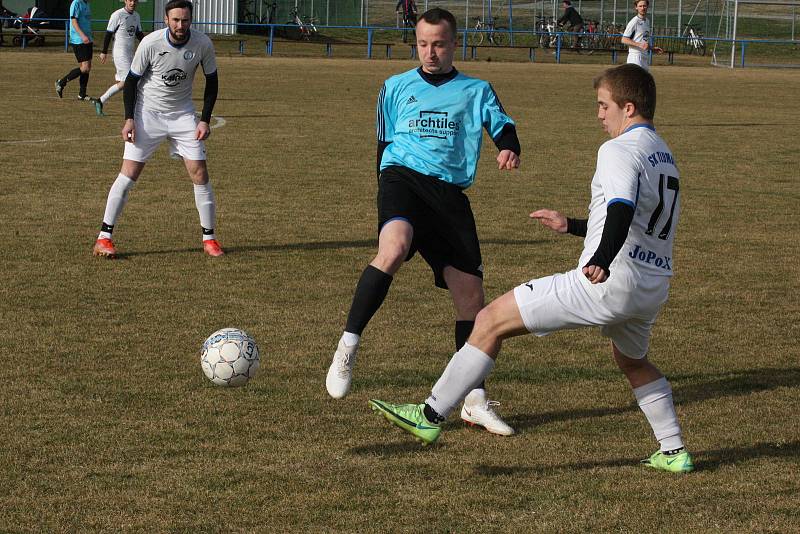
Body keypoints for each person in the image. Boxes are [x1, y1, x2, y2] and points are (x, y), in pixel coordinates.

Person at [370, 64, 695, 474]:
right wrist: (573, 226)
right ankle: (673, 451)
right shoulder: (663, 153)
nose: (599, 114)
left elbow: (621, 210)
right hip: (651, 285)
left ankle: (430, 415)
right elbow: (640, 220)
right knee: (632, 361)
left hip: (609, 280)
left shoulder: (618, 149)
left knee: (488, 320)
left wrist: (599, 259)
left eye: (603, 105)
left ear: (628, 108)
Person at [326, 7, 522, 436]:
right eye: (422, 44)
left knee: (472, 302)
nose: (430, 52)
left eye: (438, 44)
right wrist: (386, 189)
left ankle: (474, 400)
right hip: (402, 180)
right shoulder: (395, 87)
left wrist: (509, 147)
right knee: (393, 247)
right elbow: (383, 145)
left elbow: (503, 126)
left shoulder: (477, 89)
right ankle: (348, 345)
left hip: (449, 196)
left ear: (454, 44)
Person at [92, 0, 223, 259]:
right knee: (129, 173)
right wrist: (129, 118)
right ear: (166, 20)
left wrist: (204, 119)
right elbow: (131, 82)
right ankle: (104, 238)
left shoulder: (202, 44)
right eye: (175, 20)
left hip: (183, 115)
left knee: (199, 172)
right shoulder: (151, 43)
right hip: (147, 114)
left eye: (185, 20)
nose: (180, 25)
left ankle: (209, 239)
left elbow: (212, 82)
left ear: (190, 20)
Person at [92, 0, 144, 116]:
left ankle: (100, 101)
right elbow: (108, 33)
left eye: (135, 1)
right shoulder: (117, 15)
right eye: (130, 0)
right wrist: (104, 51)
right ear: (125, 1)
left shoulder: (136, 16)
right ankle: (134, 111)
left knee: (126, 82)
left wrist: (148, 45)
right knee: (129, 81)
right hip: (120, 53)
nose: (132, 3)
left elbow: (139, 34)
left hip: (131, 53)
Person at [55, 0, 94, 101]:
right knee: (85, 68)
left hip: (87, 38)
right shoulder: (76, 3)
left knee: (87, 68)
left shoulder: (87, 3)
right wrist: (82, 35)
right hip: (79, 39)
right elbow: (74, 21)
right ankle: (61, 82)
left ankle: (82, 94)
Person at [621, 0, 663, 69]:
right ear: (636, 7)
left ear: (647, 7)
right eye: (640, 6)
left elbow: (643, 41)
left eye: (644, 6)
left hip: (644, 56)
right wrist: (639, 45)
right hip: (635, 57)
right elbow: (624, 39)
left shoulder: (647, 21)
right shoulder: (634, 21)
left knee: (644, 79)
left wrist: (652, 48)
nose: (642, 8)